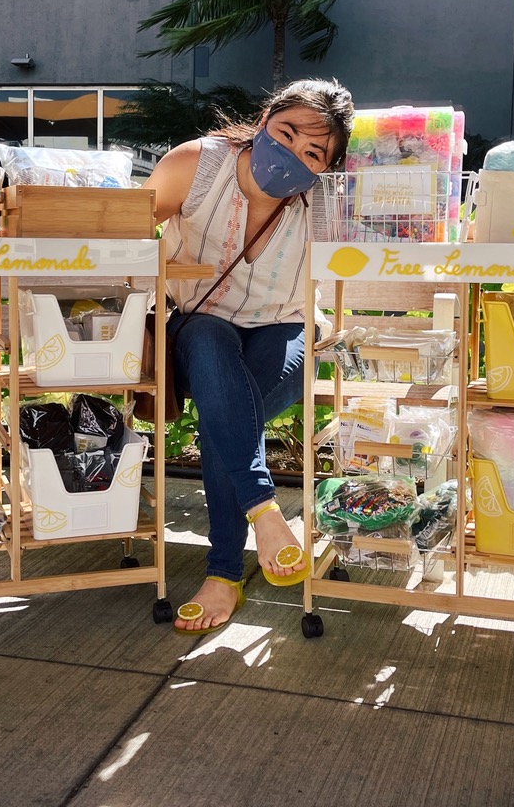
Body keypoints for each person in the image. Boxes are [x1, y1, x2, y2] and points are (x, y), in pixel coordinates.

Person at [142, 78, 355, 634]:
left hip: (283, 331)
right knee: (214, 352)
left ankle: (225, 570)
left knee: (226, 409)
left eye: (312, 152)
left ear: (325, 167)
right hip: (197, 328)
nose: (291, 154)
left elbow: (377, 253)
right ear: (263, 122)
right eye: (284, 133)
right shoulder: (197, 165)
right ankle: (264, 512)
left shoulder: (326, 204)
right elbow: (126, 229)